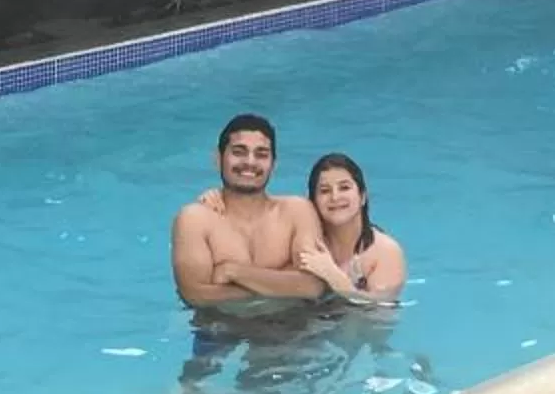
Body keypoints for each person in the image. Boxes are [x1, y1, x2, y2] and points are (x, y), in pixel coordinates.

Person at [169, 113, 325, 306]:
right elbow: (196, 296)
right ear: (218, 159)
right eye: (239, 152)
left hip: (295, 323)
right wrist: (285, 284)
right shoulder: (195, 220)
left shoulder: (297, 211)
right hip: (220, 325)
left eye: (261, 154)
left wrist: (233, 271)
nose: (250, 162)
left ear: (273, 165)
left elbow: (313, 286)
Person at [290, 152, 408, 300]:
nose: (335, 197)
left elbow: (381, 309)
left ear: (362, 196)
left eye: (344, 188)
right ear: (313, 201)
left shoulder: (385, 252)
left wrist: (333, 276)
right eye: (325, 191)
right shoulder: (305, 242)